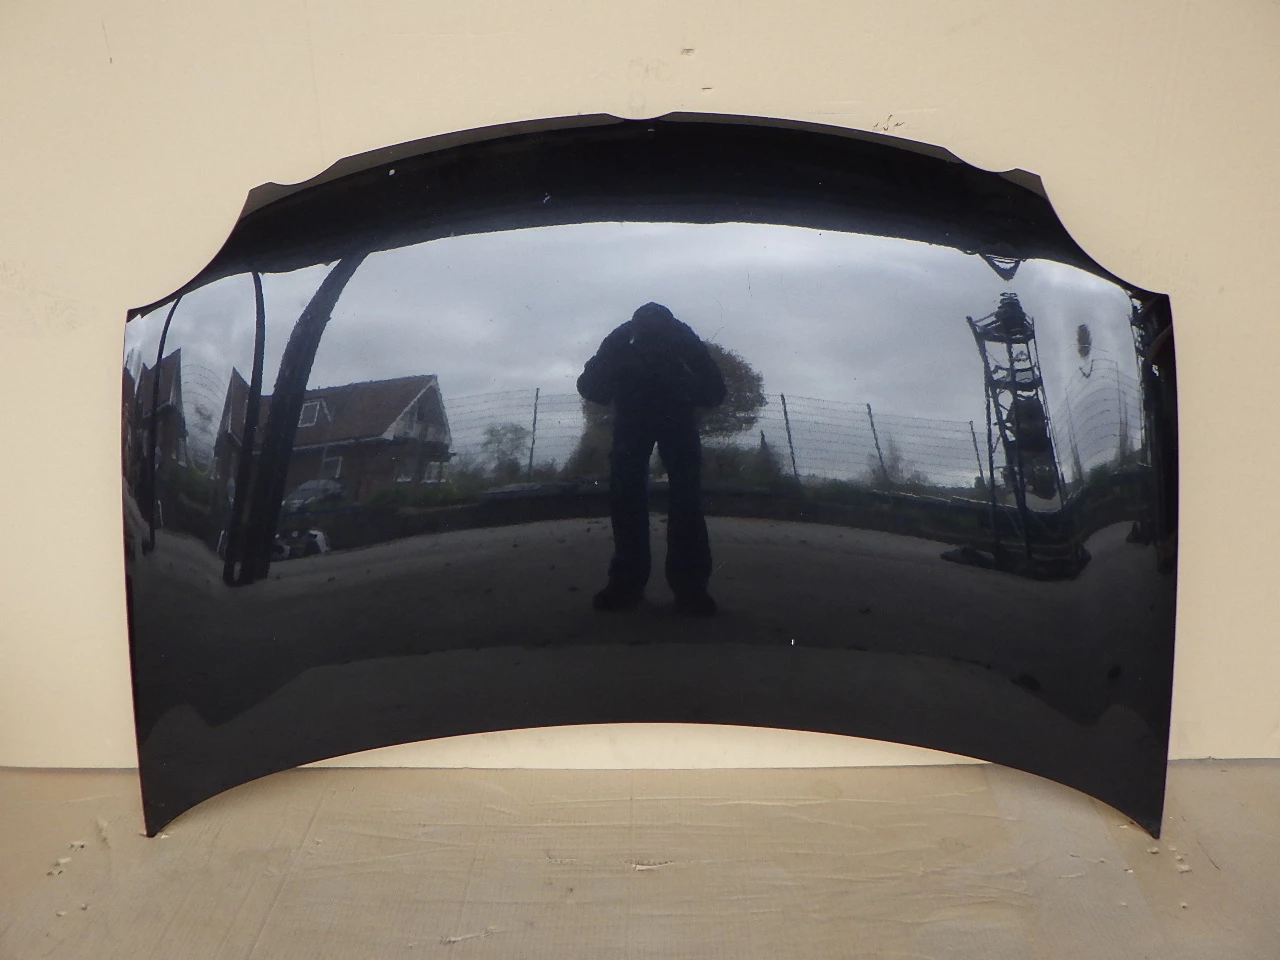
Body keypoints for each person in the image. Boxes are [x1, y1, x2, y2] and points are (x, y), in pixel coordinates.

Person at [577, 302, 726, 615]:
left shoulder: (656, 339)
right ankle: (682, 588)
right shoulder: (667, 339)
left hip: (650, 422)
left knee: (645, 498)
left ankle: (637, 584)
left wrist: (672, 378)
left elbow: (592, 388)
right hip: (658, 422)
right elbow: (714, 390)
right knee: (667, 499)